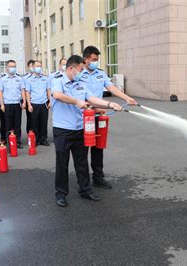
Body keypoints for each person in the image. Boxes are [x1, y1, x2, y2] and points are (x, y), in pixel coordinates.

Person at [51, 55, 122, 207]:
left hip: (79, 128)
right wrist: (76, 101)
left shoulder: (81, 83)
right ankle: (61, 194)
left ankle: (85, 190)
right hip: (62, 130)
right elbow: (57, 95)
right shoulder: (58, 80)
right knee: (62, 163)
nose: (82, 72)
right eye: (80, 69)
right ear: (71, 68)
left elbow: (92, 99)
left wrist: (110, 104)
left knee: (81, 162)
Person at [81, 45, 138, 189]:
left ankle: (98, 178)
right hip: (83, 117)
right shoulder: (79, 74)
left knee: (98, 148)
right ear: (85, 59)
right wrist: (99, 106)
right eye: (93, 60)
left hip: (98, 115)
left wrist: (127, 98)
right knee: (82, 150)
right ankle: (83, 182)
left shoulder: (100, 73)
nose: (95, 62)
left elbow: (111, 87)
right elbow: (81, 96)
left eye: (97, 60)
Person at [0, 60, 26, 148]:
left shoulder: (19, 78)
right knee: (7, 124)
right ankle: (9, 142)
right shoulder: (2, 79)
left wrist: (24, 101)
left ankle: (17, 142)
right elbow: (0, 92)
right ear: (7, 68)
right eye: (11, 66)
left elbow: (22, 90)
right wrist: (1, 104)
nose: (13, 68)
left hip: (17, 104)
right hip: (7, 104)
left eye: (14, 66)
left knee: (17, 124)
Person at [24, 60, 51, 146]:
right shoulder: (29, 80)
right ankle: (35, 139)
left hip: (44, 103)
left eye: (40, 66)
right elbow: (27, 92)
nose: (38, 68)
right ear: (33, 67)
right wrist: (29, 105)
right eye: (37, 66)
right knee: (34, 123)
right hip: (34, 103)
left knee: (44, 122)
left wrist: (50, 101)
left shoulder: (45, 79)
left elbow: (48, 90)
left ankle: (43, 139)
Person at [23, 60, 35, 134]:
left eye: (33, 66)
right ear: (28, 67)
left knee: (37, 118)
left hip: (36, 100)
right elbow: (23, 90)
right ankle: (30, 133)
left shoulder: (40, 76)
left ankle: (37, 134)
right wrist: (25, 101)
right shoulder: (25, 78)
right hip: (28, 100)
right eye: (31, 66)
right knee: (30, 118)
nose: (32, 68)